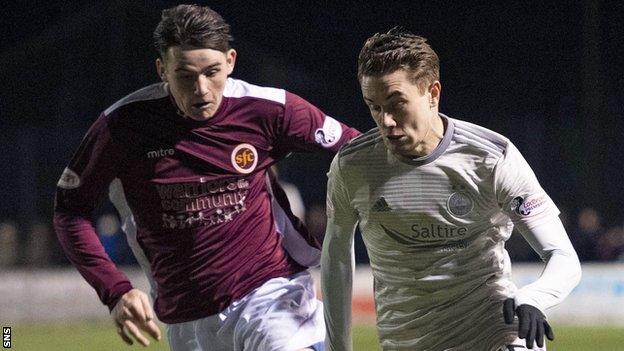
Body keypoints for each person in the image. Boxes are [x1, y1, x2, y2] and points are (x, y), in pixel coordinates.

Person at [53, 4, 360, 351]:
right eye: (185, 75)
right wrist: (114, 290)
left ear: (230, 60)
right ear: (162, 70)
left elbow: (357, 150)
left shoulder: (268, 109)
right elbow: (70, 211)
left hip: (271, 298)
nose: (201, 89)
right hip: (188, 322)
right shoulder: (122, 126)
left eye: (212, 71)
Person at [321, 28, 581, 351]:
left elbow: (564, 257)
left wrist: (532, 297)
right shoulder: (353, 167)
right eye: (373, 106)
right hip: (407, 341)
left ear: (433, 93)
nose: (385, 120)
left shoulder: (491, 158)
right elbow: (336, 258)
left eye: (396, 103)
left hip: (494, 334)